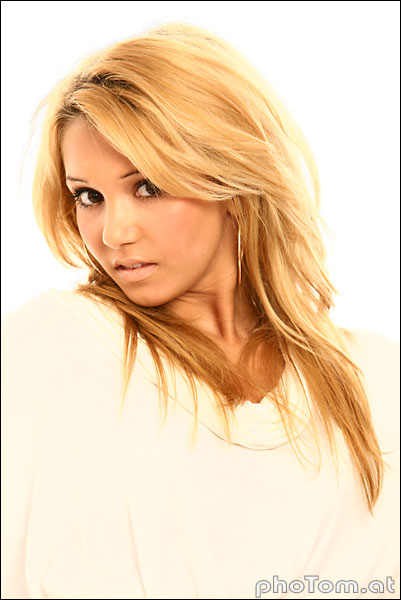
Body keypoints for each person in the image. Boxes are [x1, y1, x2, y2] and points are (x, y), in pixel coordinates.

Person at [1, 21, 399, 600]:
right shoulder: (52, 347)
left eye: (147, 187)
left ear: (231, 181)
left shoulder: (375, 377)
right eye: (89, 196)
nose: (113, 232)